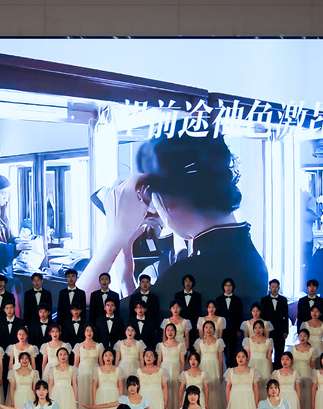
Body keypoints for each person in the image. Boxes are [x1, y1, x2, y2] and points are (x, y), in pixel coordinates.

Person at [78, 135, 268, 328]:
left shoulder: (193, 275)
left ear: (168, 200)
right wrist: (127, 273)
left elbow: (79, 321)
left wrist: (114, 237)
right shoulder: (244, 256)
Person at [193, 320, 226, 409]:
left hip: (214, 367)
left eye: (211, 327)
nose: (208, 330)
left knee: (214, 390)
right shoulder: (199, 342)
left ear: (214, 329)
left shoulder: (219, 342)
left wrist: (221, 373)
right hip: (203, 366)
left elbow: (220, 359)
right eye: (206, 327)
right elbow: (197, 358)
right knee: (203, 389)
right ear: (203, 329)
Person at [73, 325, 104, 409]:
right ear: (84, 332)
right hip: (82, 374)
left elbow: (101, 364)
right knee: (83, 395)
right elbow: (76, 364)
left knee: (93, 395)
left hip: (94, 374)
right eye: (87, 330)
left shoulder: (99, 346)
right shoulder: (79, 346)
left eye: (91, 331)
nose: (89, 333)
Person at [156, 323, 186, 409]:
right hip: (164, 369)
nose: (170, 332)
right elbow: (159, 360)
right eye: (168, 330)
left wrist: (181, 374)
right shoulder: (161, 345)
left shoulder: (181, 345)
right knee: (165, 391)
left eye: (172, 330)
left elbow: (182, 361)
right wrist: (158, 374)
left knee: (175, 392)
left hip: (176, 370)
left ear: (175, 332)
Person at [260, 279, 289, 369]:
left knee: (279, 352)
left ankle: (278, 371)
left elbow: (286, 316)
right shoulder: (264, 300)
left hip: (280, 331)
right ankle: (268, 370)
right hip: (268, 331)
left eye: (276, 287)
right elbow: (262, 317)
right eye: (273, 287)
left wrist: (286, 331)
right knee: (268, 351)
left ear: (279, 288)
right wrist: (263, 331)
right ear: (270, 288)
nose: (275, 288)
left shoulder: (283, 300)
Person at [289, 328, 315, 409]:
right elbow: (290, 363)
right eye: (300, 335)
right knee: (296, 396)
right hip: (295, 373)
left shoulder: (312, 350)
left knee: (306, 397)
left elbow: (312, 366)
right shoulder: (293, 349)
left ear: (308, 337)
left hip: (307, 374)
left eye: (305, 336)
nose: (302, 338)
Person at [215, 278, 243, 368]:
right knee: (222, 349)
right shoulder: (218, 299)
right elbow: (217, 315)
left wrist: (238, 329)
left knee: (233, 350)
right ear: (223, 287)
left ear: (233, 287)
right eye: (226, 285)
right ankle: (224, 368)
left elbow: (240, 315)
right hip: (222, 330)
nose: (228, 287)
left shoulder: (237, 300)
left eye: (230, 285)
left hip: (234, 329)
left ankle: (233, 367)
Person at [243, 320, 273, 396]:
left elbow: (269, 358)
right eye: (255, 328)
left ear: (263, 329)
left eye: (260, 328)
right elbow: (247, 357)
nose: (258, 330)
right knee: (253, 386)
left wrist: (271, 371)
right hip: (252, 364)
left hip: (264, 366)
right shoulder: (248, 340)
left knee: (264, 386)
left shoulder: (268, 341)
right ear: (253, 329)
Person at [176, 274, 203, 343]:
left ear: (193, 283)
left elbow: (198, 312)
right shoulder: (178, 295)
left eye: (190, 281)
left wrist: (198, 327)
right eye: (186, 281)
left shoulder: (197, 296)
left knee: (192, 344)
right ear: (183, 282)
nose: (188, 283)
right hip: (180, 325)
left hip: (193, 325)